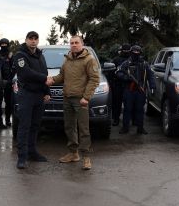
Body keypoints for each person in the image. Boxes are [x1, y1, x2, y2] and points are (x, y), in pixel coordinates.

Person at [49, 35, 100, 170]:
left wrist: (86, 97)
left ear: (82, 44)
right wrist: (52, 80)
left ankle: (86, 158)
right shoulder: (67, 59)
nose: (74, 45)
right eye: (71, 43)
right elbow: (62, 76)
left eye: (76, 42)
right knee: (69, 127)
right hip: (67, 98)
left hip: (81, 100)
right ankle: (73, 153)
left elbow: (94, 79)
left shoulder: (89, 59)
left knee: (83, 129)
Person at [13, 31, 50, 169]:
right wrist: (44, 79)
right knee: (24, 126)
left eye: (36, 39)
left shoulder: (40, 55)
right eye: (31, 39)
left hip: (39, 95)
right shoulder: (20, 55)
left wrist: (47, 91)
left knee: (35, 125)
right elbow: (25, 73)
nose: (33, 41)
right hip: (26, 95)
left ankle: (32, 152)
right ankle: (22, 157)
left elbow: (44, 72)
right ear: (26, 40)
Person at [116, 45, 156, 135]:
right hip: (129, 90)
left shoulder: (145, 64)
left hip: (140, 90)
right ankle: (125, 128)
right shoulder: (126, 63)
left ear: (140, 53)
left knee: (140, 110)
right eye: (134, 53)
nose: (136, 54)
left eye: (138, 53)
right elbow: (118, 72)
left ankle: (140, 128)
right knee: (127, 109)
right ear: (131, 52)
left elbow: (151, 75)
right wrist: (127, 78)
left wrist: (153, 87)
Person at [110, 43, 131, 126]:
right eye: (124, 50)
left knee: (129, 103)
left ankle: (128, 119)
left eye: (127, 51)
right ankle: (116, 119)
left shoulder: (132, 60)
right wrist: (111, 83)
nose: (125, 52)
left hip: (129, 84)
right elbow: (111, 72)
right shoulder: (116, 60)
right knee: (116, 103)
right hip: (117, 84)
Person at [0, 38, 14, 127]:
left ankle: (8, 120)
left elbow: (14, 68)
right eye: (2, 44)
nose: (3, 46)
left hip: (9, 82)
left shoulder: (11, 55)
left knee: (9, 103)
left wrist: (10, 80)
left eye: (5, 44)